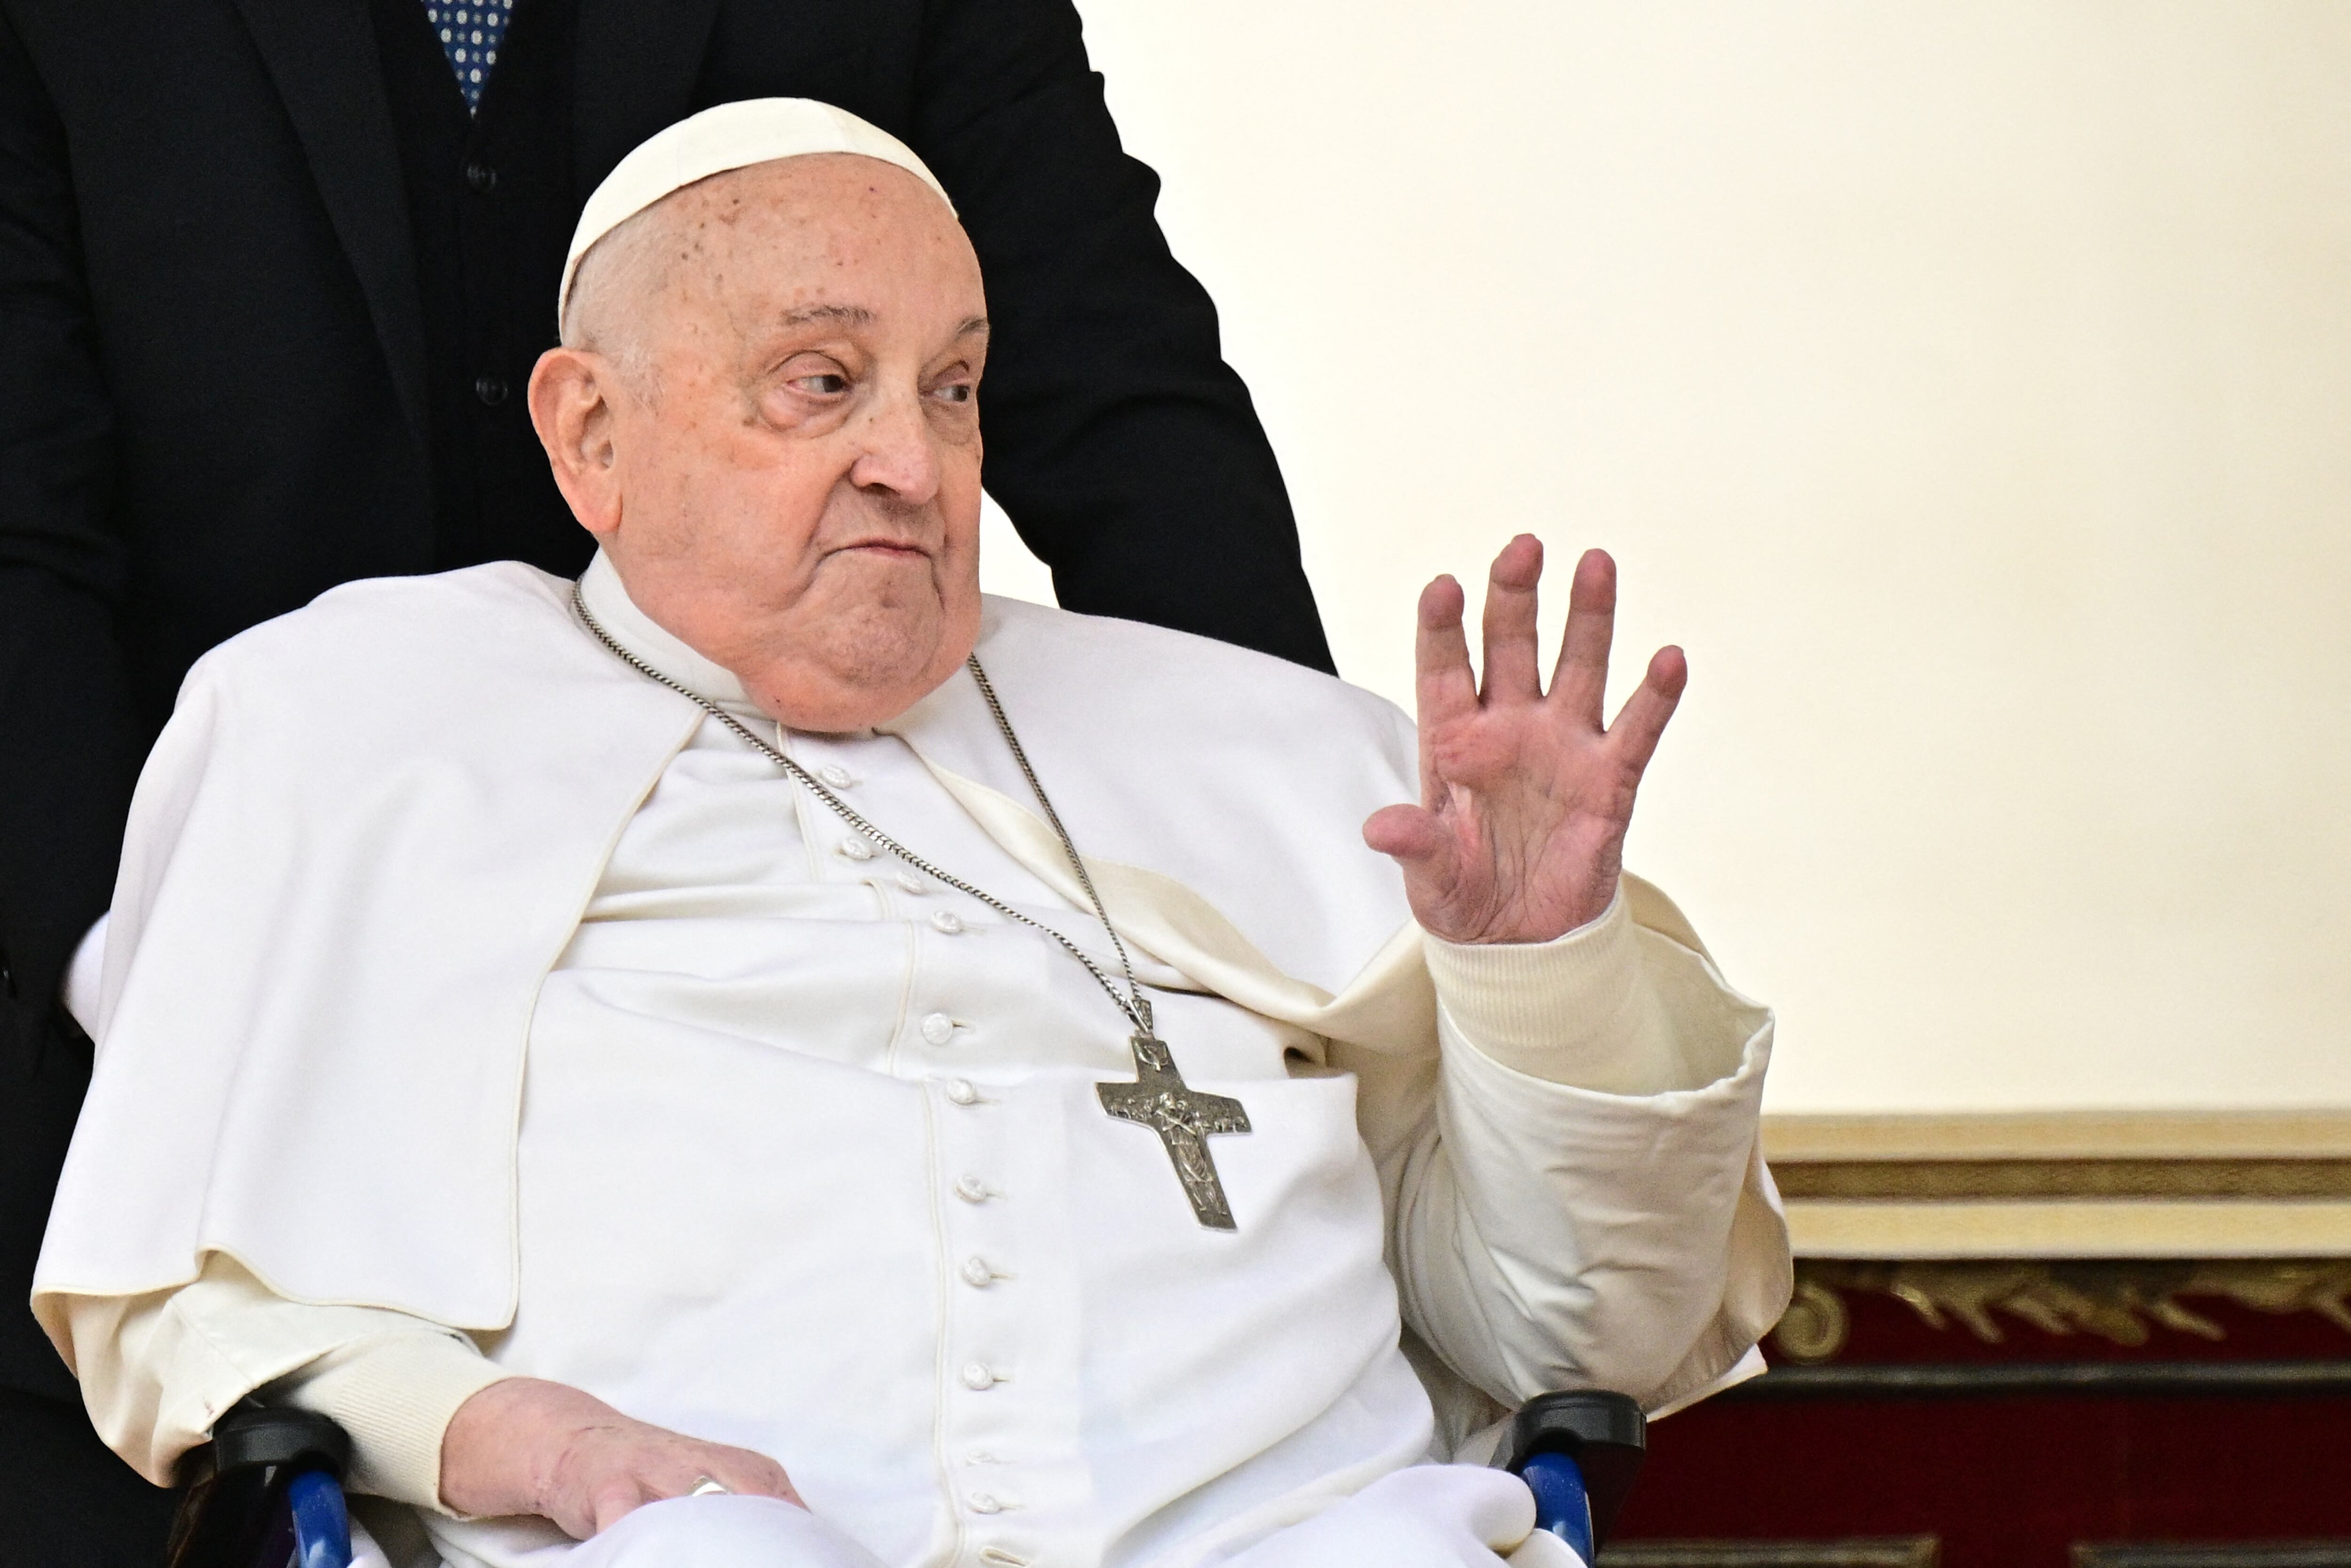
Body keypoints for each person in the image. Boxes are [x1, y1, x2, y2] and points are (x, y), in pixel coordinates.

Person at [35, 102, 1787, 1568]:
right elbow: (190, 1296)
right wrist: (512, 1433)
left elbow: (1568, 1345)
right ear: (591, 432)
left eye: (951, 391)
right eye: (821, 383)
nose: (915, 464)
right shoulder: (359, 723)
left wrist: (1541, 978)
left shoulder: (1260, 749)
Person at [0, 8, 1329, 1552]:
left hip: (754, 961)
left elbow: (1124, 398)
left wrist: (1296, 874)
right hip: (202, 933)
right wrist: (160, 1003)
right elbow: (21, 533)